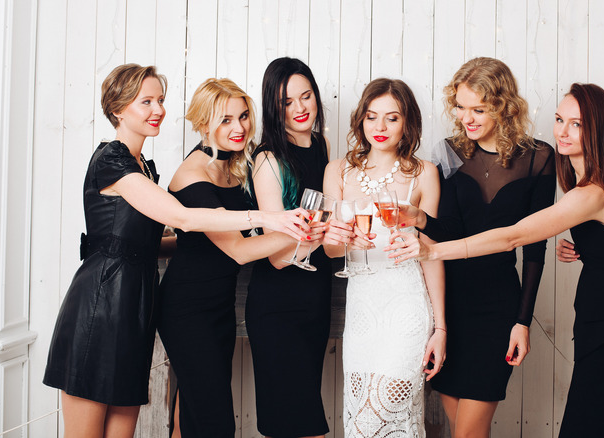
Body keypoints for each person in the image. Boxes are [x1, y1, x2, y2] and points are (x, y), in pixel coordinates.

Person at [42, 64, 309, 438]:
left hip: (136, 306)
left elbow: (149, 242)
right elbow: (181, 217)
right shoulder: (112, 162)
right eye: (145, 101)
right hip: (100, 306)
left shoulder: (144, 167)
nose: (158, 110)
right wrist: (270, 218)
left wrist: (192, 245)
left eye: (161, 100)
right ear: (118, 109)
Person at [388, 82, 604, 438]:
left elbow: (516, 235)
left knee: (588, 426)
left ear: (599, 130)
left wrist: (434, 250)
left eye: (577, 124)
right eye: (559, 119)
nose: (562, 131)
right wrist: (591, 251)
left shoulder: (592, 192)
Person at [385, 57, 555, 437]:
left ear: (504, 106)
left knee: (468, 433)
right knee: (459, 428)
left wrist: (522, 322)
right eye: (460, 107)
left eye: (479, 109)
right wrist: (419, 218)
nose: (467, 118)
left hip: (498, 309)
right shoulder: (450, 152)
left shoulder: (539, 158)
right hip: (450, 309)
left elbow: (535, 249)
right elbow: (448, 232)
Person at [158, 78, 308, 437]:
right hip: (187, 310)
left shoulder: (235, 162)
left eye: (243, 116)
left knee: (194, 410)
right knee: (213, 421)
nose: (238, 128)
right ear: (203, 123)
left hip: (219, 306)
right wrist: (298, 229)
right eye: (225, 120)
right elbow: (239, 251)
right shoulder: (193, 175)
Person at [322, 78, 446, 437]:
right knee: (361, 417)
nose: (380, 127)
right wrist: (342, 237)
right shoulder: (338, 171)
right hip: (362, 310)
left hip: (406, 305)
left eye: (391, 118)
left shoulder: (424, 174)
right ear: (360, 119)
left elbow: (432, 255)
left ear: (407, 123)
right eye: (371, 117)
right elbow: (331, 250)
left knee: (388, 410)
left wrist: (440, 328)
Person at [245, 57, 333, 438]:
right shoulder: (267, 158)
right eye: (286, 102)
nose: (300, 108)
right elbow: (278, 256)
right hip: (278, 305)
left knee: (296, 419)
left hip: (316, 297)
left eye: (306, 96)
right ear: (272, 107)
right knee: (295, 423)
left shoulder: (323, 144)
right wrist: (320, 231)